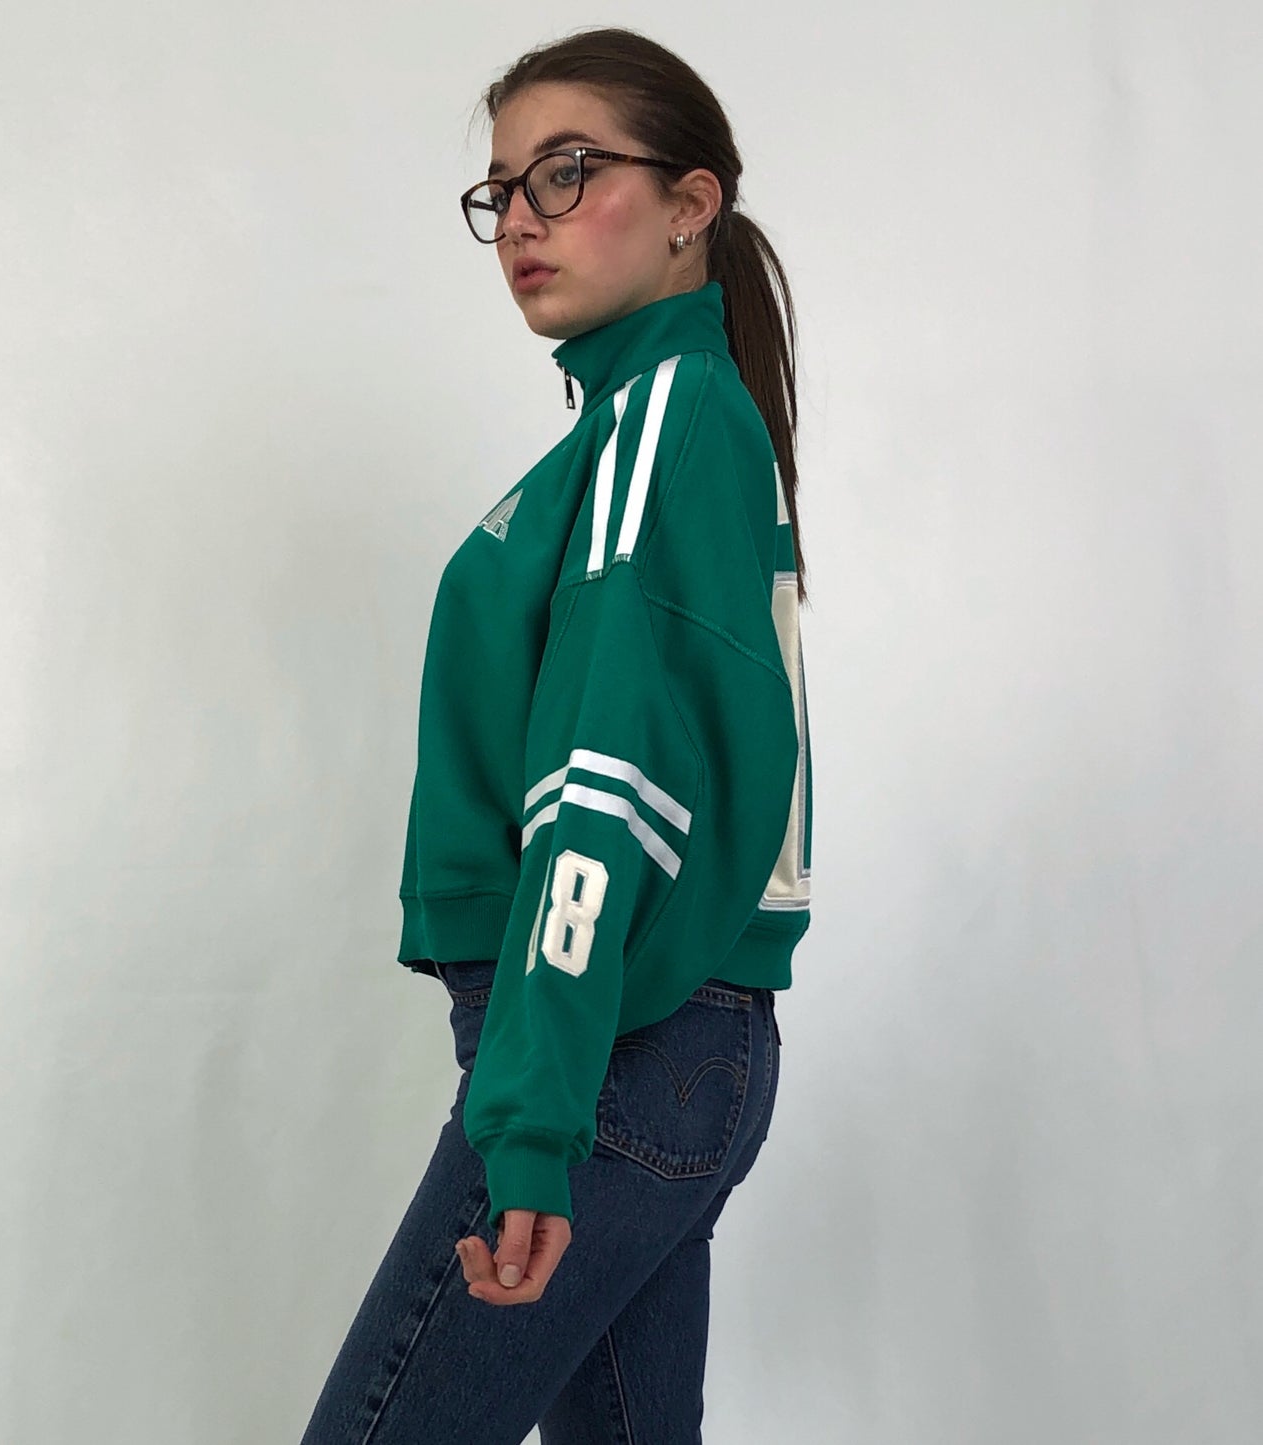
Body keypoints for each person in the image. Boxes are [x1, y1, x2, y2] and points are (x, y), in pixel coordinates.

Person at [300, 25, 813, 1444]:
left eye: (568, 172)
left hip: (608, 1054)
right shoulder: (654, 428)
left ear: (691, 204)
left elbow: (605, 787)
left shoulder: (662, 423)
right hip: (662, 1049)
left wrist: (532, 1120)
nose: (522, 218)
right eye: (503, 189)